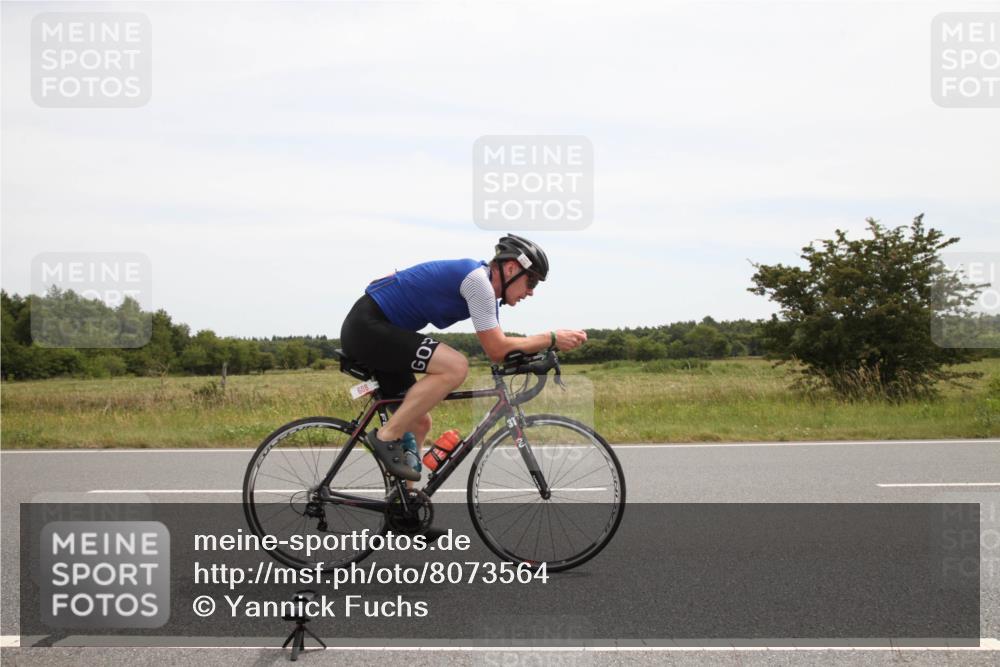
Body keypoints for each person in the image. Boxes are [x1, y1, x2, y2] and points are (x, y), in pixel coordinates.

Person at [339, 234, 588, 481]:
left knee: (419, 424)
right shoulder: (478, 282)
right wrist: (551, 337)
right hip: (368, 328)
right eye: (531, 282)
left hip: (379, 332)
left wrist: (537, 357)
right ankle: (386, 436)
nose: (531, 292)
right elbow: (497, 348)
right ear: (512, 268)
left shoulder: (483, 287)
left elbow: (501, 351)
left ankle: (404, 511)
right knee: (455, 366)